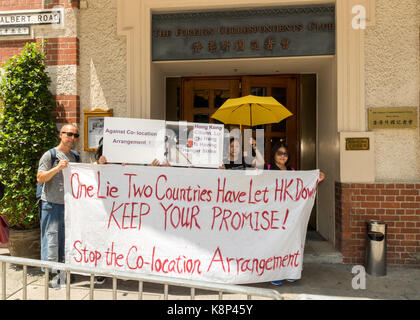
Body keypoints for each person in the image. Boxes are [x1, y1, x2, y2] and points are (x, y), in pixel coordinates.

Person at [267, 142, 324, 286]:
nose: (282, 156)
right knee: (276, 243)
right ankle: (275, 272)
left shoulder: (292, 170)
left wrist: (315, 178)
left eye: (285, 154)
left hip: (291, 214)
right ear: (274, 154)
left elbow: (300, 187)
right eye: (279, 153)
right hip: (274, 213)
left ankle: (290, 271)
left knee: (290, 243)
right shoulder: (267, 168)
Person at [37, 124, 81, 287]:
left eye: (75, 135)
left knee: (66, 240)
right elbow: (40, 178)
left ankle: (63, 271)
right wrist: (57, 168)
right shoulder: (50, 155)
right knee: (51, 239)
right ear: (60, 135)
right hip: (51, 204)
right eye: (69, 134)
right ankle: (50, 273)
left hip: (70, 206)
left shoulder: (76, 156)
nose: (72, 138)